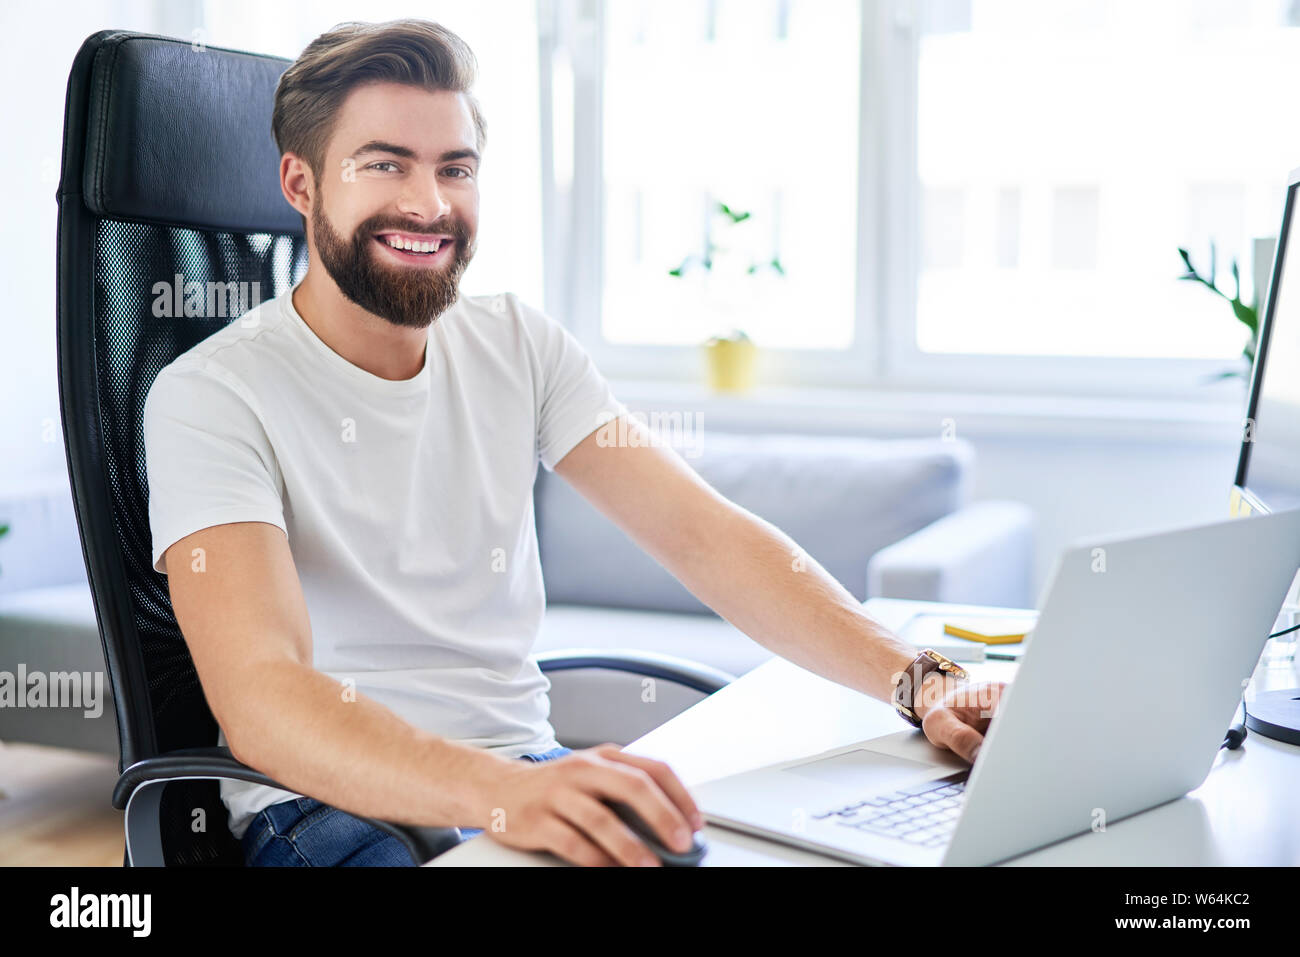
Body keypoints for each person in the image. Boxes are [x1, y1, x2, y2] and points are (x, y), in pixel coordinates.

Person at [144, 18, 1003, 868]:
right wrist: (501, 791)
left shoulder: (519, 343)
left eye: (455, 168)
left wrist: (920, 679)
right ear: (300, 183)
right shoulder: (211, 395)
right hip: (324, 807)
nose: (428, 203)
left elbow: (706, 536)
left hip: (521, 777)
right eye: (385, 164)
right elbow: (263, 695)